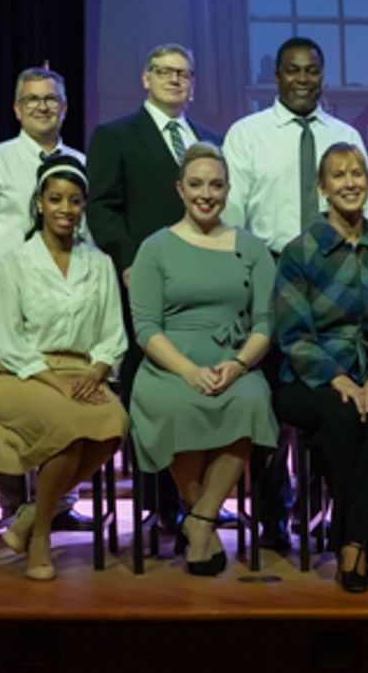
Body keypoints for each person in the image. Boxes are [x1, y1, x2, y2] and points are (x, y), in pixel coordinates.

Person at [222, 36, 368, 549]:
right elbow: (232, 217)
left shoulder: (344, 133)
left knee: (327, 395)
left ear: (322, 75)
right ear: (276, 76)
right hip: (271, 268)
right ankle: (272, 515)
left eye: (311, 70)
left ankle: (323, 510)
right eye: (292, 70)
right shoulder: (247, 135)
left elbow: (359, 206)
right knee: (272, 403)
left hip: (334, 276)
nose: (303, 78)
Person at [128, 142, 279, 575]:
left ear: (229, 189)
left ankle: (198, 522)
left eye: (216, 184)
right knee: (176, 404)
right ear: (180, 189)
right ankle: (204, 522)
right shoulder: (154, 248)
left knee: (250, 400)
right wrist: (188, 371)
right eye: (196, 184)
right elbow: (145, 328)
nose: (206, 193)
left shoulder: (252, 248)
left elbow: (265, 324)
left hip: (234, 360)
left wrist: (238, 365)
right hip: (171, 362)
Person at [86, 43, 220, 530]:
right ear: (145, 78)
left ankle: (198, 498)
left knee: (201, 387)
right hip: (145, 285)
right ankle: (156, 504)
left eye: (183, 74)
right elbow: (101, 206)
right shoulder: (115, 135)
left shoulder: (208, 141)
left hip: (205, 290)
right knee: (154, 391)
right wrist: (127, 262)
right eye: (164, 72)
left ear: (193, 83)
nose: (174, 80)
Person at [274, 144, 368, 591]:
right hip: (313, 373)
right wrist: (337, 378)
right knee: (338, 414)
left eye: (358, 173)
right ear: (323, 187)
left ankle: (352, 542)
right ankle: (353, 541)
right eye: (338, 175)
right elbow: (294, 333)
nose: (350, 183)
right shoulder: (301, 251)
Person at [0, 65, 90, 531]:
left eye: (50, 99)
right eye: (31, 99)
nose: (41, 106)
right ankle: (14, 507)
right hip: (9, 303)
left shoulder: (79, 161)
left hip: (66, 306)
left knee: (68, 398)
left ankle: (61, 503)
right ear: (17, 108)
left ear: (65, 107)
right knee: (10, 403)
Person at [0, 156, 130, 581]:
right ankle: (42, 536)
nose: (65, 209)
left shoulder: (98, 263)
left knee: (114, 421)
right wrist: (58, 385)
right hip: (19, 373)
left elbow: (112, 335)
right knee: (69, 424)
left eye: (74, 200)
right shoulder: (14, 262)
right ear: (39, 204)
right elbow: (8, 342)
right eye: (55, 199)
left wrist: (95, 374)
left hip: (82, 372)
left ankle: (30, 516)